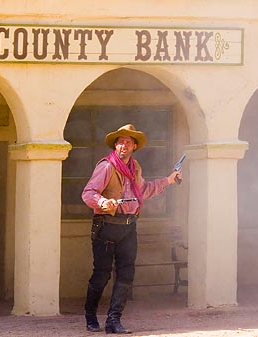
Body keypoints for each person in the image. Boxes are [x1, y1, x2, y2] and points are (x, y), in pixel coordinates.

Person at [81, 124, 182, 334]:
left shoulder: (135, 168)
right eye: (120, 141)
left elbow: (143, 190)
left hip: (128, 227)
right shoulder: (106, 166)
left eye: (128, 142)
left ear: (134, 146)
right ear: (115, 145)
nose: (123, 145)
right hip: (106, 227)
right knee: (102, 275)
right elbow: (88, 192)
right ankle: (91, 316)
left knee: (126, 275)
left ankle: (113, 320)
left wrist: (169, 180)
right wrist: (102, 202)